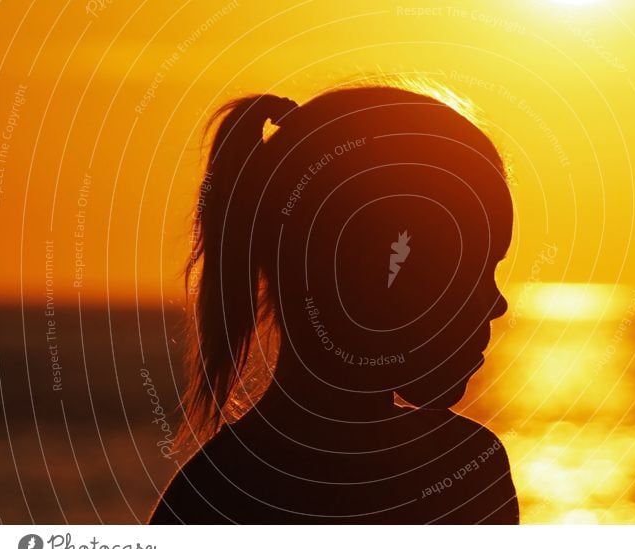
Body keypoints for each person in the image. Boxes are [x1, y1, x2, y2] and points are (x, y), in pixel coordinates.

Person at [148, 84, 519, 524]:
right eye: (470, 269)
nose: (498, 304)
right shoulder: (460, 474)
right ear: (376, 278)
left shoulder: (207, 496)